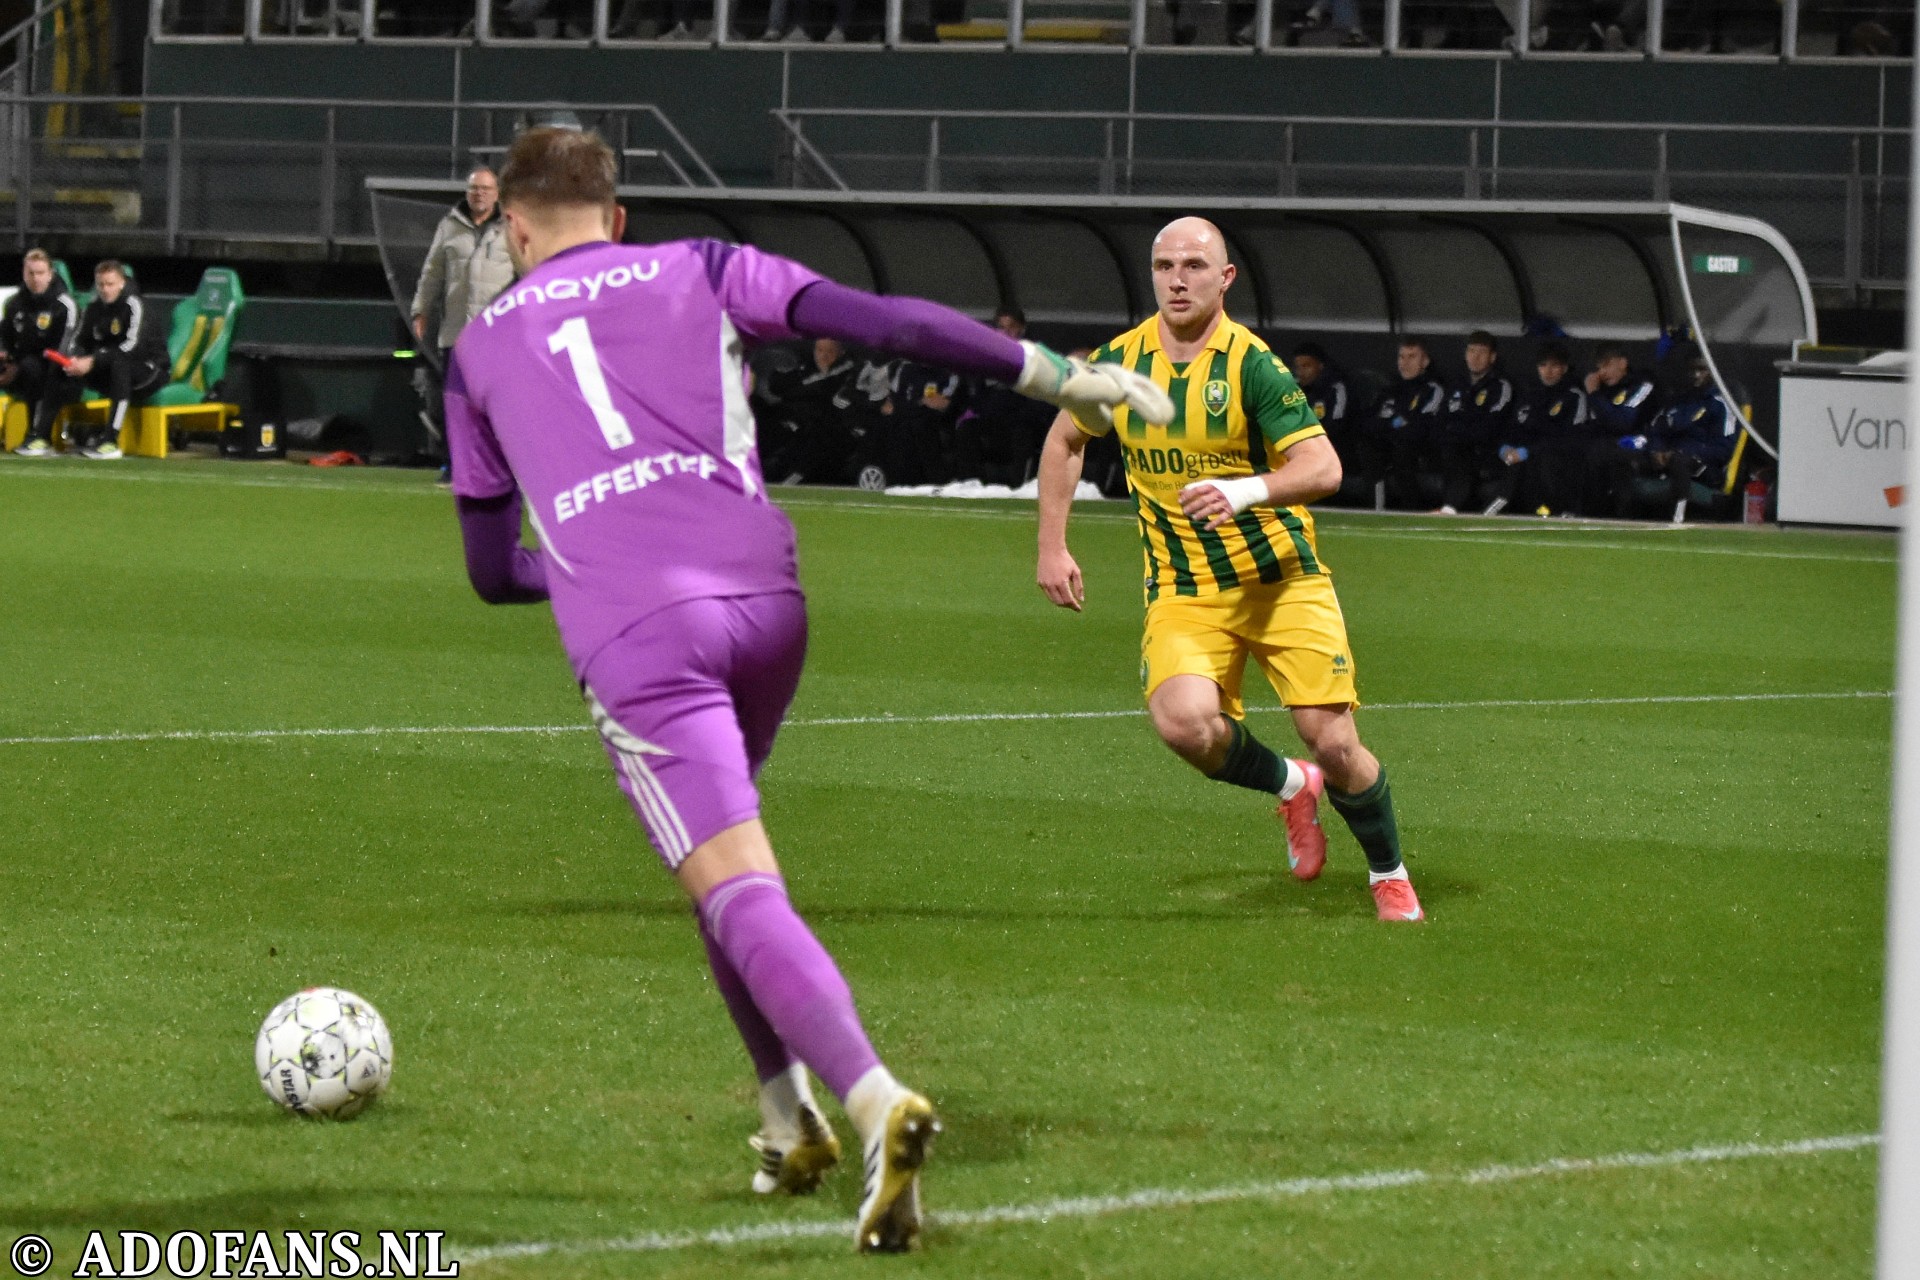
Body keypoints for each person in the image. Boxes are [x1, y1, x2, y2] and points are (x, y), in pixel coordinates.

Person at [445, 127, 1166, 1251]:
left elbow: (493, 573)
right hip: (769, 605)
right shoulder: (704, 266)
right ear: (617, 215)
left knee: (735, 881)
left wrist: (584, 562)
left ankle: (875, 1101)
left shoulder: (480, 347)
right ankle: (788, 1121)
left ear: (516, 229)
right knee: (727, 869)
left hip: (645, 635)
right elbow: (882, 319)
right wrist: (1059, 375)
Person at [1033, 216, 1424, 923]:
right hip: (1185, 588)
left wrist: (1245, 490)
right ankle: (1288, 787)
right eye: (1163, 265)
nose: (1177, 278)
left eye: (1192, 265)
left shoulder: (1254, 365)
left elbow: (1324, 467)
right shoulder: (1118, 364)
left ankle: (1388, 871)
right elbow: (1064, 440)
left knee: (1333, 741)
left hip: (1281, 579)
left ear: (1225, 278)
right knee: (1185, 726)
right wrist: (1052, 547)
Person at [411, 167, 514, 479]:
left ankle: (497, 468)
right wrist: (421, 309)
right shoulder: (449, 226)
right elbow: (432, 272)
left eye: (485, 188)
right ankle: (454, 466)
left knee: (497, 406)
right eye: (474, 189)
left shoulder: (511, 226)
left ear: (496, 193)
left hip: (496, 335)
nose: (479, 194)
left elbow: (528, 273)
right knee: (455, 406)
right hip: (456, 334)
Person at [56, 260, 170, 461]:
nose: (105, 290)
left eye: (110, 284)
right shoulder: (93, 307)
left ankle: (110, 441)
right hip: (110, 368)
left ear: (121, 283)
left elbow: (131, 347)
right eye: (101, 284)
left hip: (150, 371)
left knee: (121, 366)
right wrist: (75, 359)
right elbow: (79, 340)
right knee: (63, 368)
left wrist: (93, 361)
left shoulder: (134, 305)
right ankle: (43, 433)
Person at [953, 308, 1056, 486]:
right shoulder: (988, 357)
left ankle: (1019, 487)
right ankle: (972, 486)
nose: (1006, 332)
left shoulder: (1036, 357)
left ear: (1022, 329)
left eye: (1011, 327)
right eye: (1001, 327)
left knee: (1023, 431)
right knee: (967, 428)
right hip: (993, 420)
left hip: (1021, 420)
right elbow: (979, 394)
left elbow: (1043, 398)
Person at [1487, 340, 1588, 516]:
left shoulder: (1574, 396)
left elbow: (1569, 438)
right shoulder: (1529, 394)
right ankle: (1503, 505)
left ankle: (1560, 510)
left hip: (1560, 459)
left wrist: (1528, 451)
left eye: (1554, 366)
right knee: (1513, 459)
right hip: (1529, 458)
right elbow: (1514, 427)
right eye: (1543, 365)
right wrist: (1506, 447)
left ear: (1564, 368)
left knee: (1544, 459)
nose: (1548, 371)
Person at [1, 250, 81, 458]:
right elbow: (6, 338)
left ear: (50, 274)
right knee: (27, 367)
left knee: (39, 370)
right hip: (25, 366)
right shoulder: (15, 304)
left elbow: (63, 351)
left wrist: (17, 365)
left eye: (40, 273)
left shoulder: (65, 305)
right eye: (31, 273)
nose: (35, 278)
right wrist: (6, 358)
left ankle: (38, 436)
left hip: (64, 373)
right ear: (24, 273)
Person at [1436, 330, 1514, 515]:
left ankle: (1450, 508)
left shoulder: (1501, 386)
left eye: (1481, 352)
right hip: (1456, 446)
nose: (1475, 357)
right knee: (1448, 447)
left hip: (1486, 450)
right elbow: (1441, 419)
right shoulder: (1456, 384)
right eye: (1471, 351)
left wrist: (1458, 429)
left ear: (1492, 357)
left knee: (1461, 450)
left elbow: (1490, 426)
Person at [1365, 338, 1446, 509]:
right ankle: (1377, 510)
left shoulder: (1433, 389)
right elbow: (1371, 422)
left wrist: (1391, 425)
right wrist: (1394, 424)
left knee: (1403, 450)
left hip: (1421, 448)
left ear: (1425, 361)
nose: (1405, 363)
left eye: (1412, 357)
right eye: (1401, 357)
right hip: (1388, 442)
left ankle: (1412, 510)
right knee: (1369, 448)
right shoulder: (1391, 388)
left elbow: (1420, 426)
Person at [1584, 342, 1661, 515]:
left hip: (1643, 444)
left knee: (1615, 453)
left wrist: (1595, 395)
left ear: (1622, 363)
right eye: (1599, 368)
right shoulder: (1602, 391)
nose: (1602, 372)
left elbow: (1624, 422)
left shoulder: (1642, 385)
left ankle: (1623, 515)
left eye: (1607, 365)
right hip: (1607, 446)